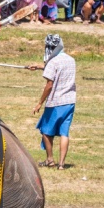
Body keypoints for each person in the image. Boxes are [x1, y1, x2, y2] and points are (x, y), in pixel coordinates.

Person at [27, 33, 76, 170]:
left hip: (55, 102)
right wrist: (38, 66)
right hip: (70, 101)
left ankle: (50, 160)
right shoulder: (70, 59)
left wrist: (39, 103)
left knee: (45, 131)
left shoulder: (52, 62)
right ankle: (61, 165)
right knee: (64, 133)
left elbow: (49, 84)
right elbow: (57, 69)